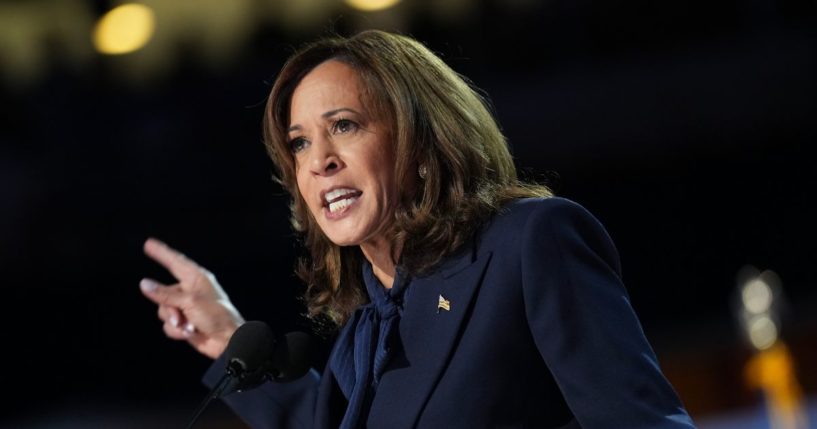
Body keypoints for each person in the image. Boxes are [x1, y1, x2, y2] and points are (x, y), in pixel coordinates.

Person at [140, 30, 697, 428]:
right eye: (301, 142)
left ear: (420, 144)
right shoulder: (366, 326)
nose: (318, 161)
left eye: (344, 126)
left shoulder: (529, 244)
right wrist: (224, 337)